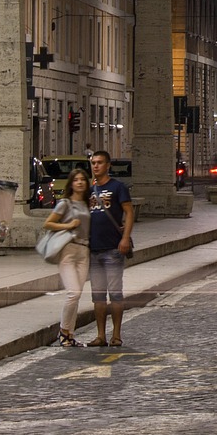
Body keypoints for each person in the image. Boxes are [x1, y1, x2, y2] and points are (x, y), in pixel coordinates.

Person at [86, 149, 135, 348]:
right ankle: (100, 335)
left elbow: (129, 212)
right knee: (97, 296)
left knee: (115, 293)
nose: (95, 166)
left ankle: (116, 334)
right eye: (93, 163)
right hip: (94, 248)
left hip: (113, 248)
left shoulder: (118, 187)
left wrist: (125, 238)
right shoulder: (89, 190)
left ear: (108, 166)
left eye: (99, 162)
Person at [41, 168, 93, 346]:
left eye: (82, 180)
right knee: (74, 292)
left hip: (84, 251)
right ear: (71, 184)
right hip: (69, 250)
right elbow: (47, 224)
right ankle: (63, 331)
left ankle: (70, 334)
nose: (79, 182)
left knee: (77, 295)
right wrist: (68, 225)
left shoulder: (87, 204)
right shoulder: (65, 203)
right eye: (76, 180)